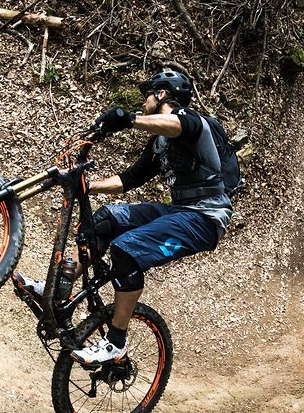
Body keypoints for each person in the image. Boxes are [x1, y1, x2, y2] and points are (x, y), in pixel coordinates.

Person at [72, 68, 234, 364]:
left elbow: (177, 124)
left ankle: (116, 344)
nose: (142, 101)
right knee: (105, 220)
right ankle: (59, 290)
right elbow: (127, 180)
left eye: (147, 94)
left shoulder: (193, 122)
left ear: (161, 94)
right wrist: (85, 187)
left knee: (127, 248)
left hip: (206, 218)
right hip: (179, 211)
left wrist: (131, 120)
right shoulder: (160, 143)